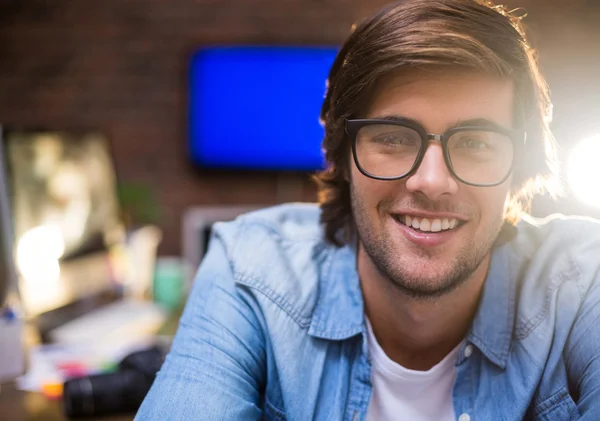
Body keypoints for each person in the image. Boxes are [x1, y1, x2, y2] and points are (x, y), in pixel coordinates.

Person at [136, 0, 600, 419]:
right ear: (341, 156)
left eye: (477, 142)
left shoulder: (584, 281)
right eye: (394, 138)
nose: (432, 182)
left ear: (521, 164)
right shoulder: (250, 268)